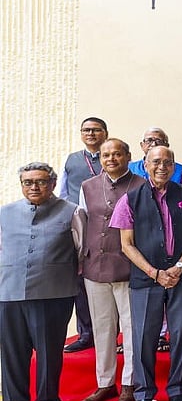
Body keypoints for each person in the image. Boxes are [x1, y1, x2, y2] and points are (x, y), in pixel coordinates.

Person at [111, 146, 182, 401]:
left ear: (175, 165)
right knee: (144, 336)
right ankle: (144, 393)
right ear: (145, 164)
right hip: (146, 278)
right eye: (156, 162)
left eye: (167, 162)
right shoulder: (130, 199)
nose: (162, 166)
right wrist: (154, 273)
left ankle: (177, 390)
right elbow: (127, 245)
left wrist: (177, 267)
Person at [0, 162, 81, 401]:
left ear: (53, 183)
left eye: (41, 182)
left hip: (53, 292)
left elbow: (82, 252)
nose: (34, 187)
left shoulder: (71, 212)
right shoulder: (5, 213)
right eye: (28, 182)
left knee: (48, 351)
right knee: (11, 353)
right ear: (21, 184)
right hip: (8, 292)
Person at [77, 139, 144, 401]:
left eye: (117, 154)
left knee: (130, 328)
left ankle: (129, 382)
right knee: (102, 328)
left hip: (129, 268)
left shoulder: (141, 185)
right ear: (100, 158)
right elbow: (81, 224)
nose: (111, 159)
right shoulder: (87, 186)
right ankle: (105, 383)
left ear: (128, 156)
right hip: (95, 267)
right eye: (106, 155)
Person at [60, 117, 108, 353]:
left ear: (105, 133)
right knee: (80, 279)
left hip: (108, 225)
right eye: (86, 130)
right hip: (79, 224)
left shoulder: (113, 155)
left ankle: (112, 334)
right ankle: (86, 332)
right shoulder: (71, 160)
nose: (91, 133)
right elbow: (62, 193)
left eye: (96, 130)